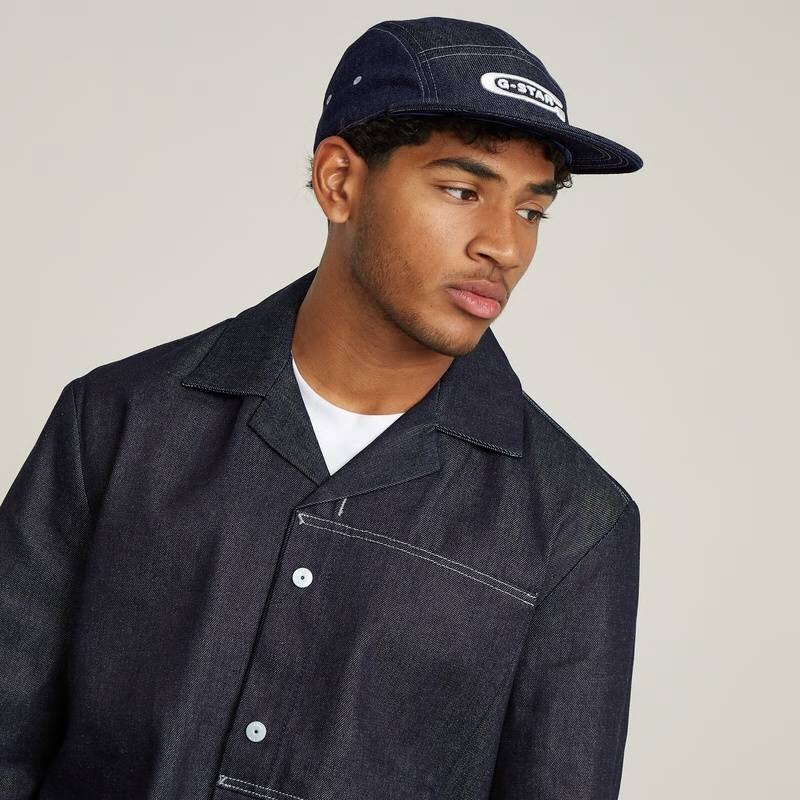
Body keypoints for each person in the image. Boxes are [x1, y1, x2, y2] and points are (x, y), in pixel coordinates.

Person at [0, 15, 643, 800]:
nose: (504, 246)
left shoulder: (576, 524)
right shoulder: (117, 422)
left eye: (531, 211)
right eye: (462, 190)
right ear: (340, 182)